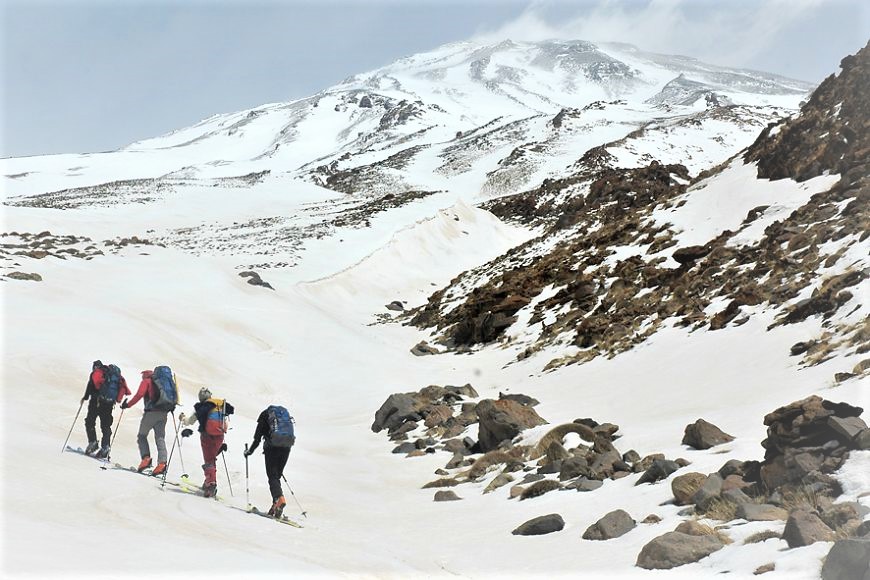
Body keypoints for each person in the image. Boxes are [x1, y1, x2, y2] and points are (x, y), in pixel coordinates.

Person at [180, 388, 234, 498]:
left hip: (207, 435)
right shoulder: (219, 404)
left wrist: (182, 418)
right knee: (211, 458)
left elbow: (190, 421)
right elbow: (231, 410)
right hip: (220, 435)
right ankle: (208, 480)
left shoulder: (202, 406)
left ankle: (211, 484)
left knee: (208, 459)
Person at [244, 405, 296, 516]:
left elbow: (257, 439)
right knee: (276, 476)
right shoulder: (283, 415)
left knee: (272, 476)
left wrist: (249, 451)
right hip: (287, 447)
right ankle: (275, 504)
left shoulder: (265, 416)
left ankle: (279, 499)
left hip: (272, 448)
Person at [121, 368, 174, 475]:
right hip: (164, 413)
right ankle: (162, 464)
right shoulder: (164, 383)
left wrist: (127, 405)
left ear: (145, 375)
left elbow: (139, 395)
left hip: (151, 413)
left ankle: (146, 459)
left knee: (142, 435)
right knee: (160, 438)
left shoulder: (147, 382)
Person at [81, 360, 130, 458]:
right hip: (109, 403)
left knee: (90, 421)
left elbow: (90, 386)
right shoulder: (114, 376)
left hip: (96, 401)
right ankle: (105, 446)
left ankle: (93, 442)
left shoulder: (97, 373)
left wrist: (85, 397)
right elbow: (125, 390)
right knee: (106, 426)